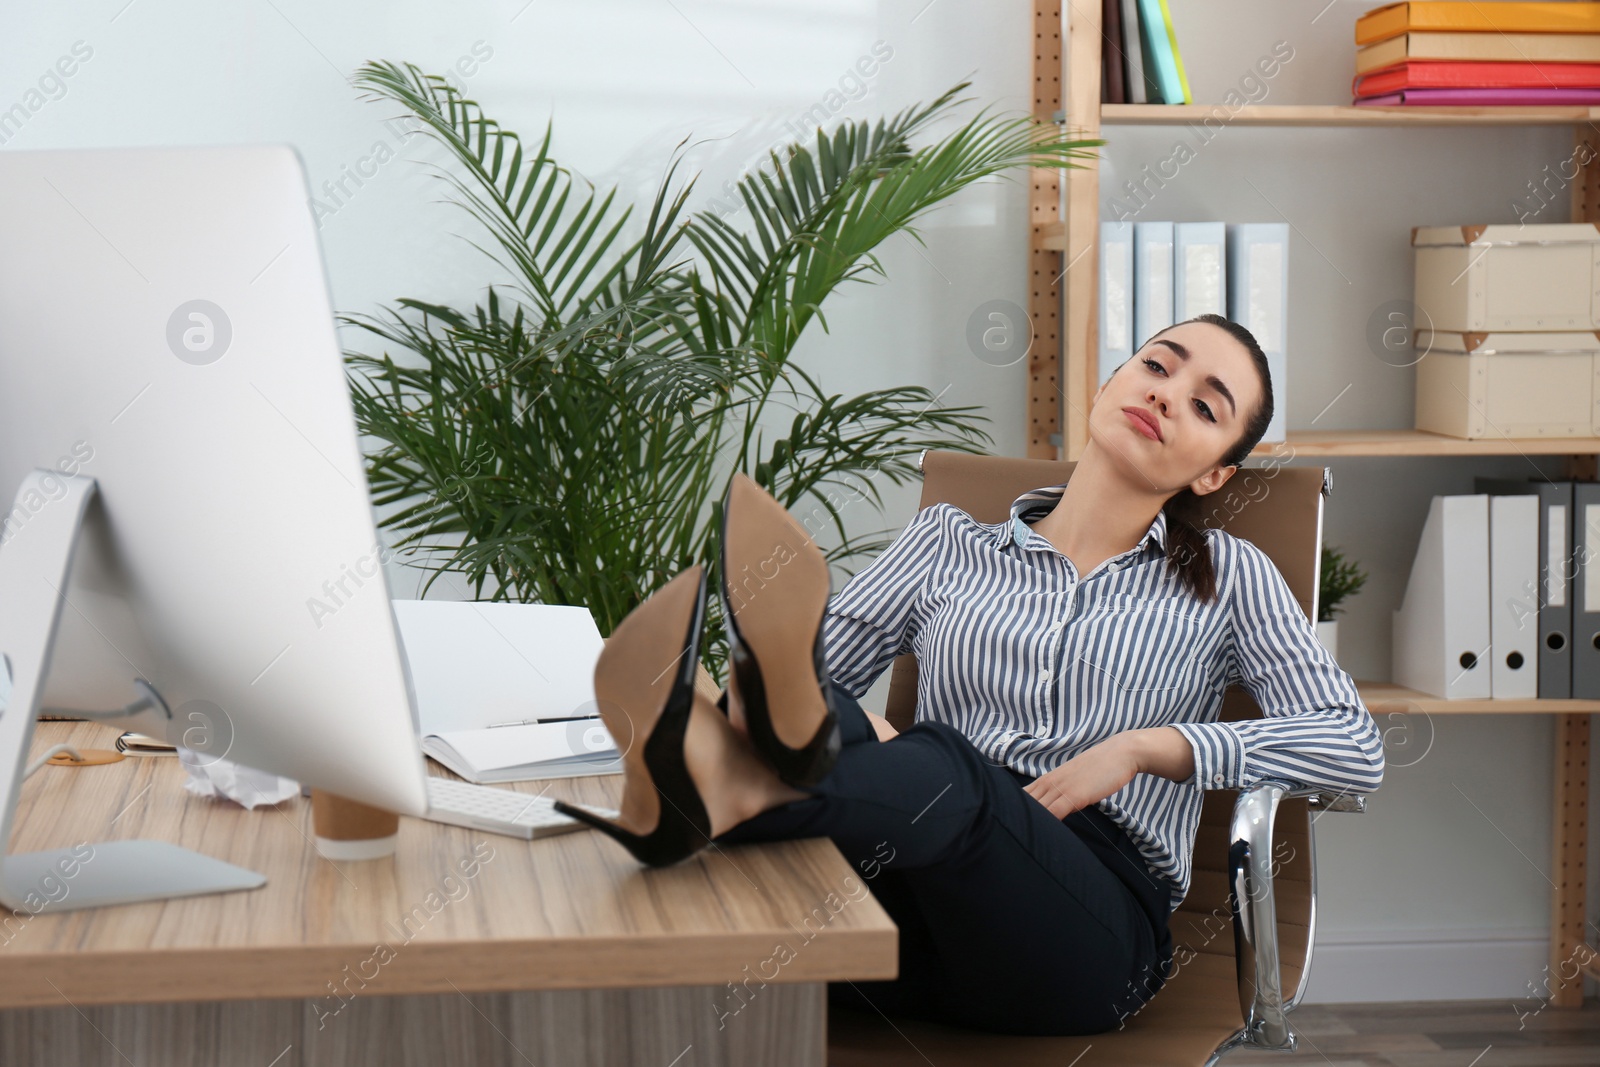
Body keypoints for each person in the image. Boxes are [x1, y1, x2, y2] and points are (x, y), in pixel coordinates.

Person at [554, 313, 1386, 1037]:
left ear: (1214, 474)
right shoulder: (945, 544)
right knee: (816, 710)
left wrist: (1148, 747)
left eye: (1205, 405)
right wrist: (858, 732)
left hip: (1084, 939)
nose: (1168, 392)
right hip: (899, 910)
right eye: (1157, 365)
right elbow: (803, 698)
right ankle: (717, 783)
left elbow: (1355, 748)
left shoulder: (1230, 576)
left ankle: (712, 796)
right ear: (1109, 384)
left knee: (944, 766)